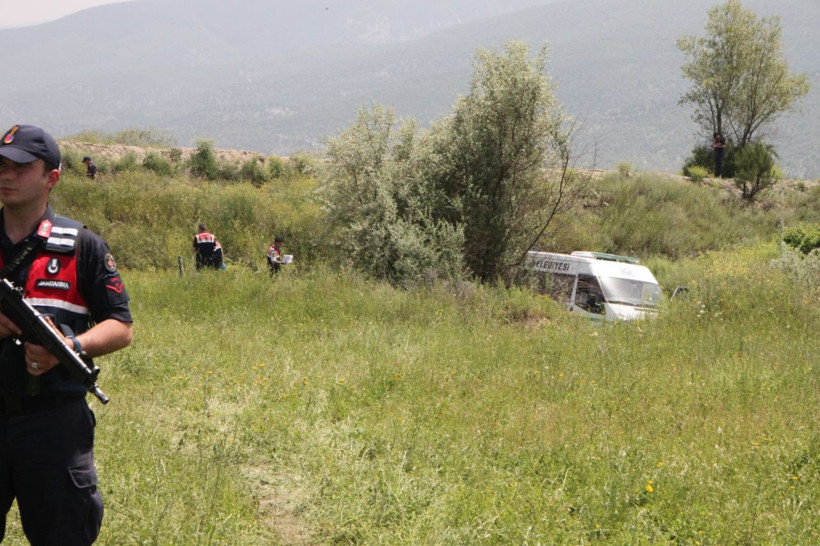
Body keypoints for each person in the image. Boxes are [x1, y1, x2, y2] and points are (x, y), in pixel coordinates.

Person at [0, 124, 133, 544]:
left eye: (20, 167)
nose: (6, 175)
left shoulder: (83, 245)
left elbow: (121, 327)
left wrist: (69, 347)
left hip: (53, 422)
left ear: (51, 178)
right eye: (1, 165)